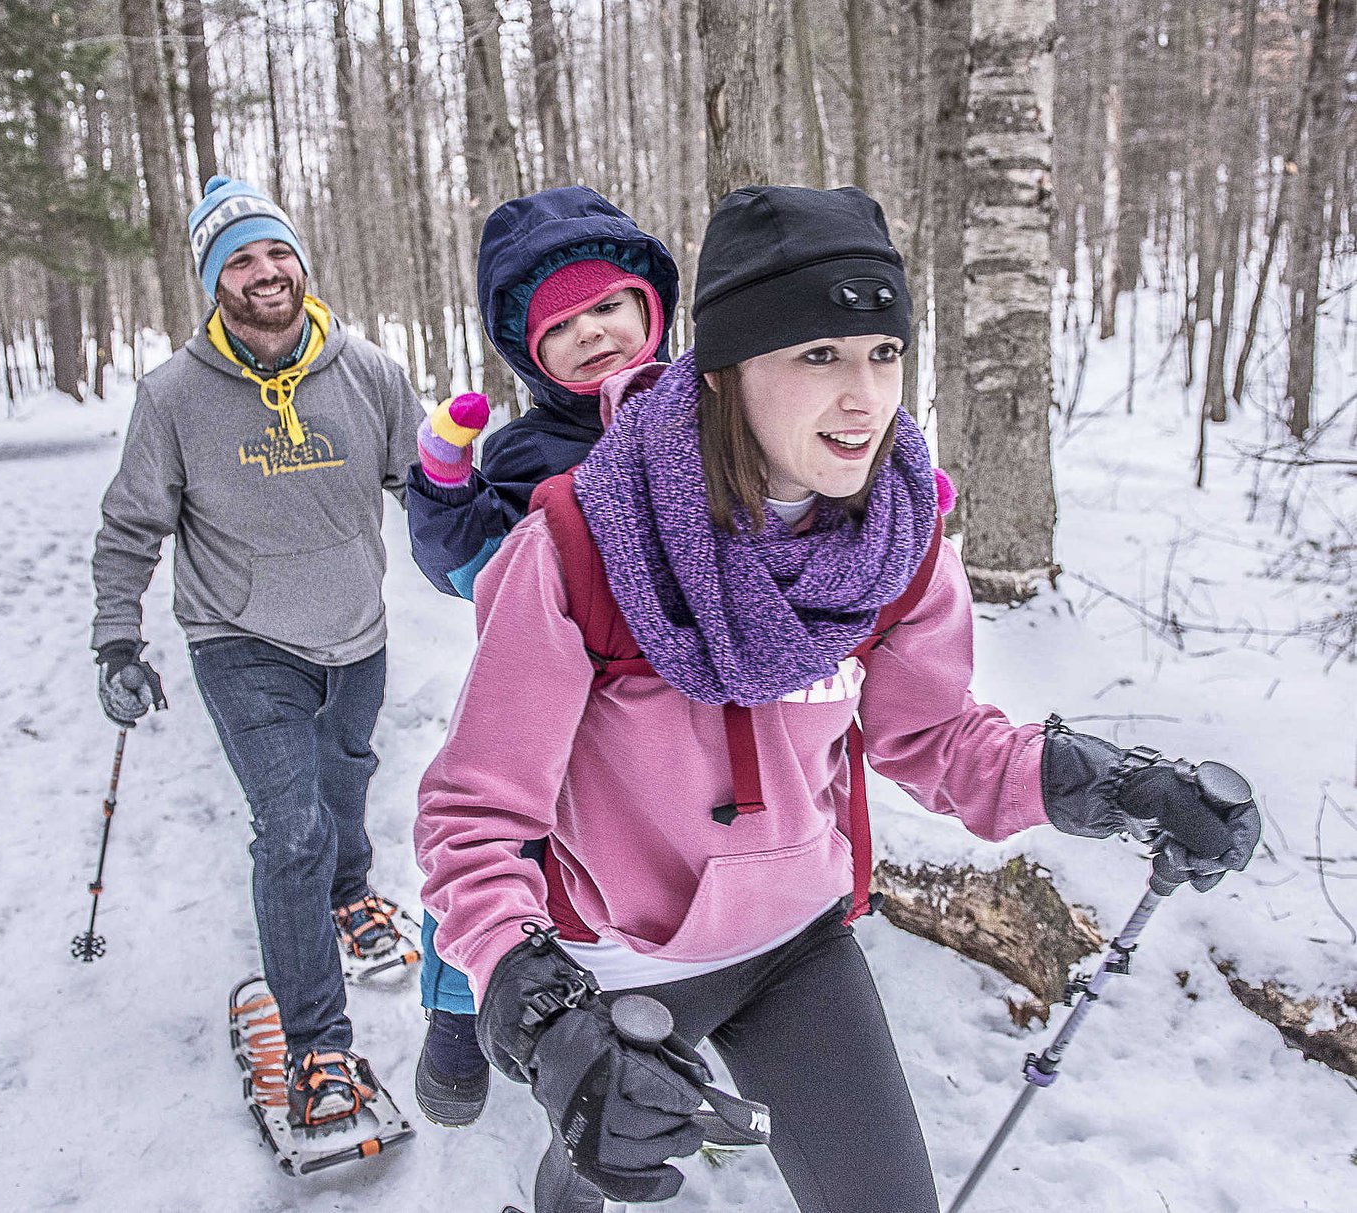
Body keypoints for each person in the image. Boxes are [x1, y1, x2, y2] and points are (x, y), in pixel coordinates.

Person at [413, 185, 1261, 1213]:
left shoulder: (891, 540)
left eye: (883, 352)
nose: (864, 397)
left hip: (797, 943)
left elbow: (939, 739)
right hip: (617, 960)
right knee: (600, 1159)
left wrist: (1118, 786)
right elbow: (473, 818)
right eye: (818, 354)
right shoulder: (583, 544)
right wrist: (544, 1015)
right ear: (723, 372)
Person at [91, 175, 425, 1134]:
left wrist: (497, 561)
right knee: (290, 832)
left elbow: (428, 492)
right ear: (213, 280)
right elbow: (129, 529)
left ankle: (352, 895)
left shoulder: (369, 371)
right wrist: (119, 636)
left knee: (347, 779)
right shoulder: (173, 396)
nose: (264, 270)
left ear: (300, 262)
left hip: (356, 631)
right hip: (239, 639)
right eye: (239, 258)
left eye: (275, 251)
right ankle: (322, 1048)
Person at [405, 185, 679, 1128]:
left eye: (609, 305)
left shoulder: (712, 414)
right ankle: (454, 1016)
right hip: (546, 702)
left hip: (672, 701)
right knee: (497, 842)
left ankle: (670, 1035)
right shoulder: (527, 451)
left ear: (650, 306)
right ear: (531, 352)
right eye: (563, 326)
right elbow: (465, 565)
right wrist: (444, 488)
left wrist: (873, 513)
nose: (594, 332)